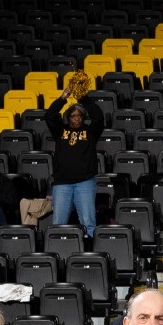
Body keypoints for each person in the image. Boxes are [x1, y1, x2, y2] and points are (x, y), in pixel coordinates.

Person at [48, 72, 104, 234]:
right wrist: (63, 97)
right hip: (62, 183)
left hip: (85, 182)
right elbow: (50, 116)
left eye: (80, 116)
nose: (77, 119)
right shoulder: (60, 130)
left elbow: (98, 117)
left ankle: (91, 255)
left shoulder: (90, 131)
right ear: (68, 118)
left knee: (88, 222)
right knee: (58, 223)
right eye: (73, 116)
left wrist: (82, 97)